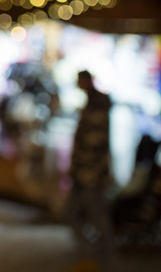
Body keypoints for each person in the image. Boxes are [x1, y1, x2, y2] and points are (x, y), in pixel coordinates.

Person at [66, 70, 116, 269]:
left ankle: (104, 257)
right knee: (73, 212)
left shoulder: (98, 104)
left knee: (97, 215)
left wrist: (88, 168)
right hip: (84, 172)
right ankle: (91, 254)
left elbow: (94, 142)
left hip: (91, 173)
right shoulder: (92, 102)